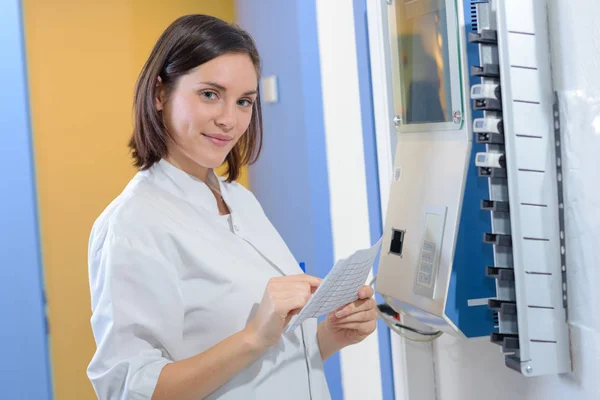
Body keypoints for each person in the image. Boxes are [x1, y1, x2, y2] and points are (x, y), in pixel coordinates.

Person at [87, 14, 378, 400]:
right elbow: (131, 389)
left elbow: (260, 369)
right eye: (210, 94)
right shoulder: (133, 224)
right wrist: (253, 336)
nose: (229, 120)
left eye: (244, 102)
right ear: (160, 94)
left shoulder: (238, 199)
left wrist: (330, 335)